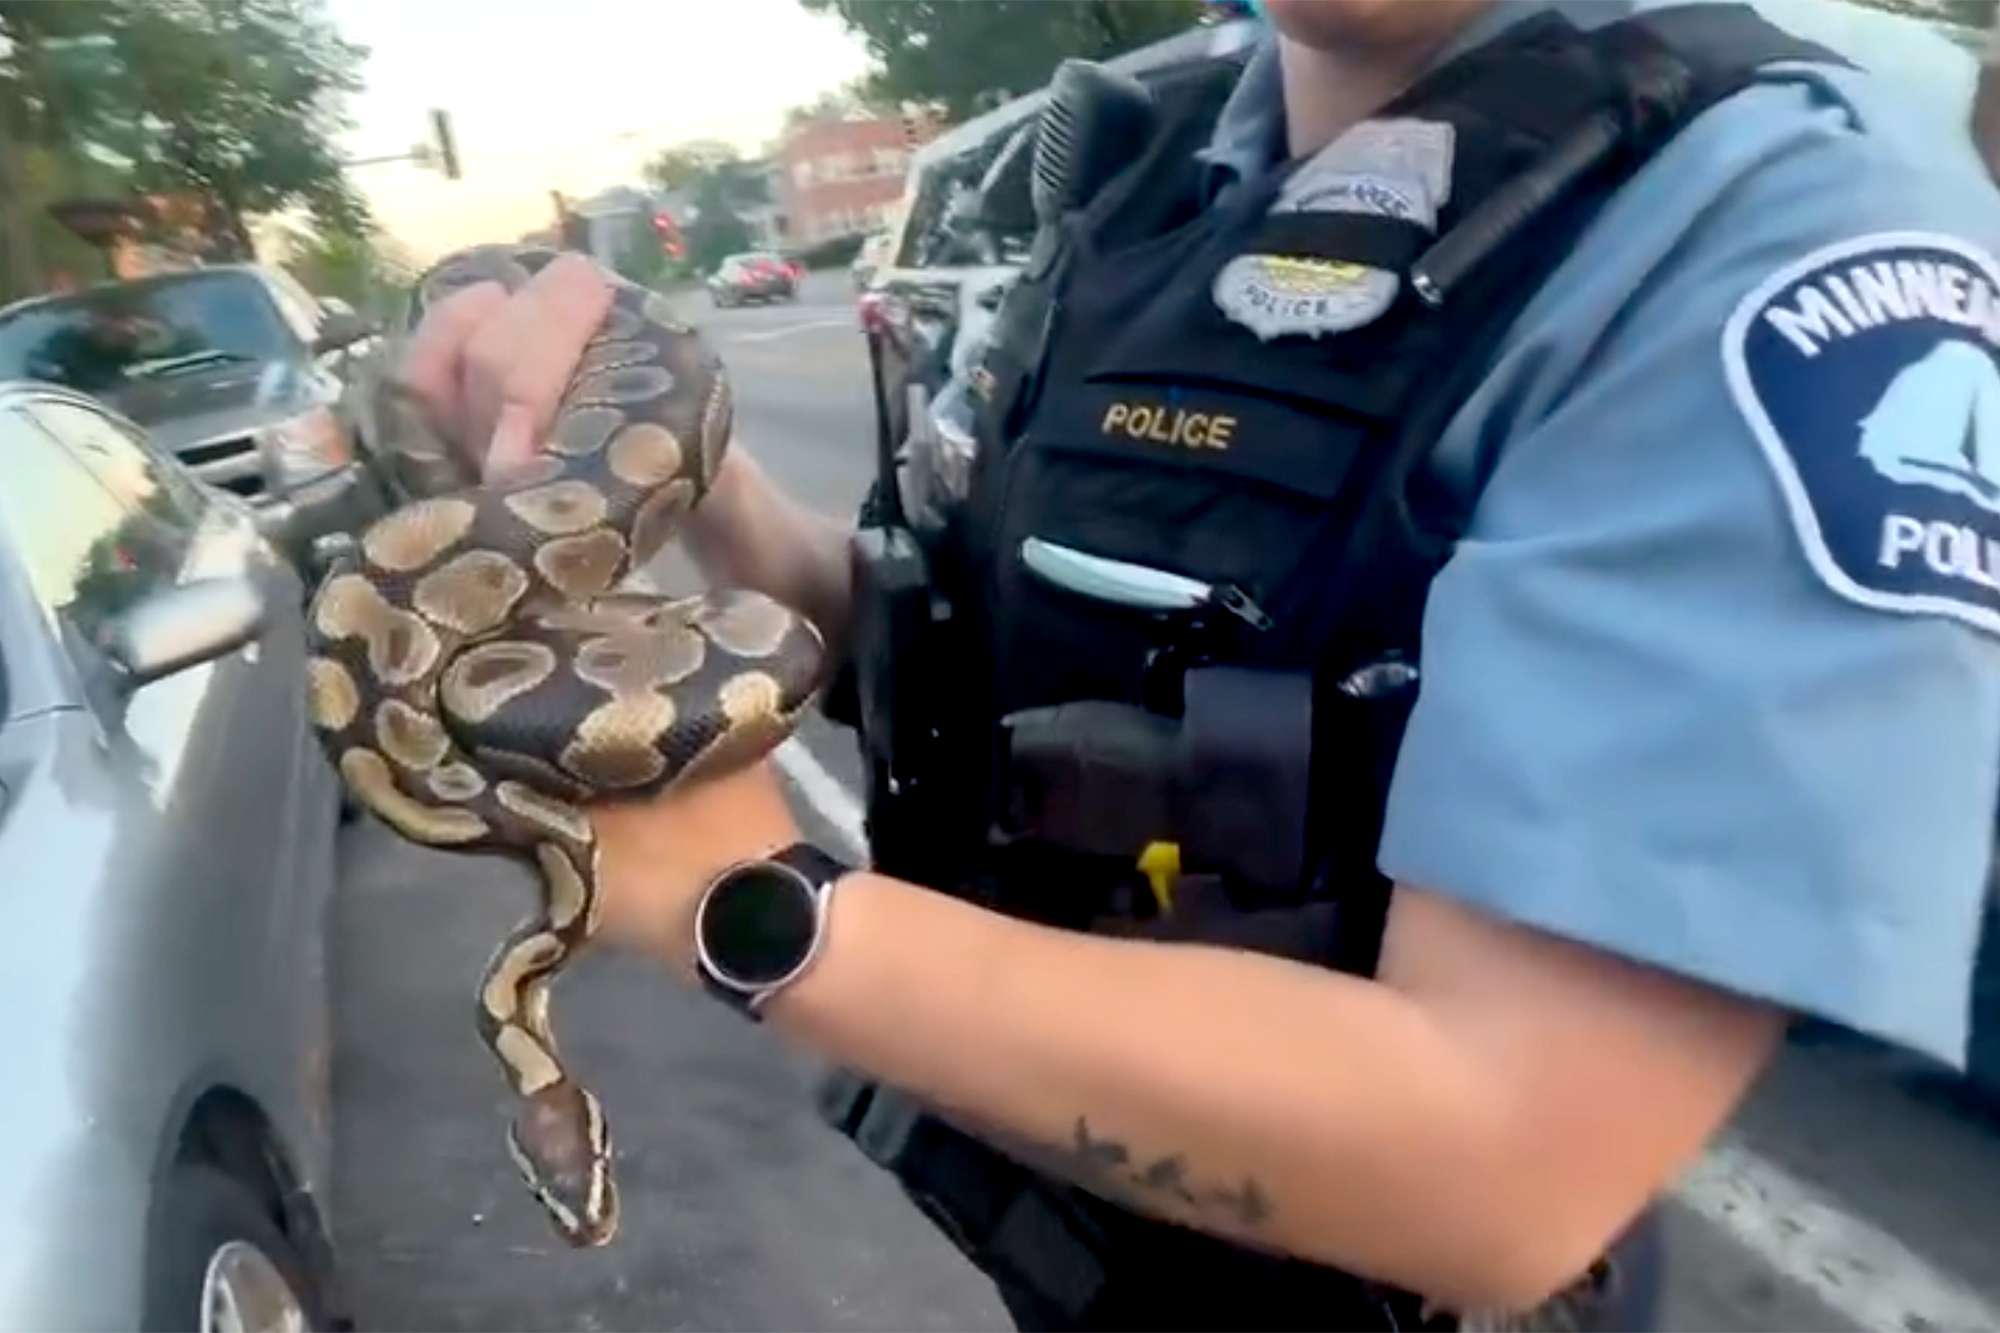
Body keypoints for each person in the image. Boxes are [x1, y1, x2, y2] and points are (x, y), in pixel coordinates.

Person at [395, 0, 2000, 1327]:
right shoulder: (1154, 169)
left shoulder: (1772, 228)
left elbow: (1506, 1163)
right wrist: (675, 479)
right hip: (1071, 1270)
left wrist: (746, 903)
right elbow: (943, 642)